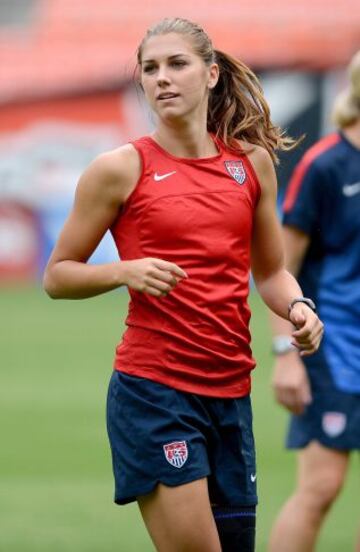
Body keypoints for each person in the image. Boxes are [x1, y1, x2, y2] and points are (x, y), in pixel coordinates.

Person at [43, 17, 323, 552]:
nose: (161, 78)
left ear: (212, 74)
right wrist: (124, 270)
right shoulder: (120, 168)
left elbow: (269, 271)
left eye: (177, 64)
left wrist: (299, 308)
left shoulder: (250, 164)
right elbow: (58, 275)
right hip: (154, 393)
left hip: (230, 394)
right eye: (150, 69)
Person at [269, 50, 360, 552]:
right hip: (334, 349)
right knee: (321, 488)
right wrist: (286, 356)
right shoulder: (325, 165)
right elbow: (278, 267)